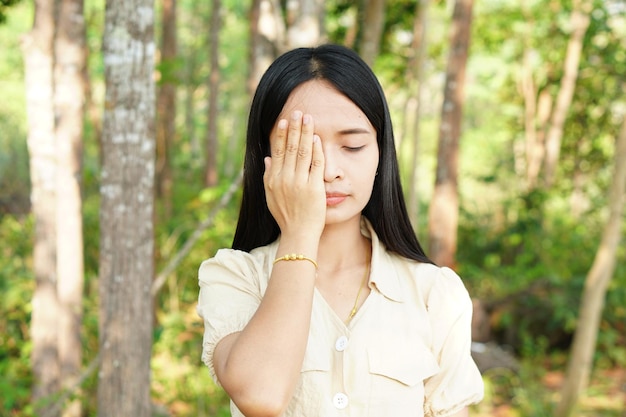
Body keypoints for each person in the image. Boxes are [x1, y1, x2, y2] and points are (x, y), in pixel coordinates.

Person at [197, 43, 484, 417]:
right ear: (266, 157)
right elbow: (260, 396)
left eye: (352, 146)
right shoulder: (237, 278)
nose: (330, 169)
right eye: (304, 149)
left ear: (381, 154)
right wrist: (300, 233)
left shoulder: (434, 294)